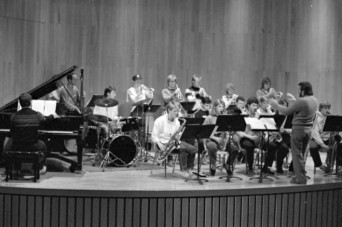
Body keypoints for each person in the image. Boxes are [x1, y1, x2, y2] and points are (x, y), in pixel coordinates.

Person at [270, 82, 319, 184]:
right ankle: (300, 176)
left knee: (296, 155)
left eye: (299, 89)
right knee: (301, 154)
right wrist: (293, 100)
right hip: (308, 130)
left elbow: (286, 111)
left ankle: (300, 178)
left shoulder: (302, 101)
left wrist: (274, 104)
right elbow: (302, 107)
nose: (298, 91)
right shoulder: (314, 100)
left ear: (303, 90)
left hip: (298, 130)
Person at [7, 93, 58, 174]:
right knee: (43, 145)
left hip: (17, 145)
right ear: (31, 102)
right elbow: (45, 121)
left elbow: (11, 133)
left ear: (20, 103)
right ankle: (41, 167)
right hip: (33, 146)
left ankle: (16, 167)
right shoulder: (37, 115)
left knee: (10, 143)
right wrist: (52, 115)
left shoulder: (14, 116)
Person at [151, 101, 197, 178]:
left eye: (177, 111)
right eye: (174, 111)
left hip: (174, 143)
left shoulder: (177, 121)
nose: (176, 113)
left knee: (193, 149)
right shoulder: (159, 120)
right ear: (169, 110)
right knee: (182, 149)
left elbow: (177, 135)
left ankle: (189, 169)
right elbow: (153, 135)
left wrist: (178, 137)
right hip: (163, 143)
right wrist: (159, 144)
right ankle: (183, 171)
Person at [235, 97, 277, 176]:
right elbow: (238, 132)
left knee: (273, 146)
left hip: (256, 139)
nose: (255, 108)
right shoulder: (243, 115)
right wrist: (250, 137)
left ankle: (266, 167)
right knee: (250, 146)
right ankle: (250, 168)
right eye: (253, 105)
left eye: (256, 106)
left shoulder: (258, 115)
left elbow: (261, 128)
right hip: (245, 139)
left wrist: (259, 121)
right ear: (248, 105)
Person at [203, 99, 239, 176]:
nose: (221, 108)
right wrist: (215, 138)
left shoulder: (225, 118)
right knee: (212, 147)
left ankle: (228, 164)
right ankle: (213, 165)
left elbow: (228, 130)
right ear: (215, 107)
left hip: (223, 140)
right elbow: (204, 132)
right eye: (219, 106)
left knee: (235, 150)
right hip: (212, 139)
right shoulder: (209, 118)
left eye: (222, 106)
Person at [308, 101, 332, 173]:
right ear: (320, 109)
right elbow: (315, 133)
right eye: (325, 108)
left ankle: (335, 165)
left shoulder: (330, 117)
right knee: (312, 147)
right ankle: (320, 165)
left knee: (339, 146)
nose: (327, 110)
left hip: (326, 138)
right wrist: (322, 145)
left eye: (328, 108)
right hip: (316, 139)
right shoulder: (316, 117)